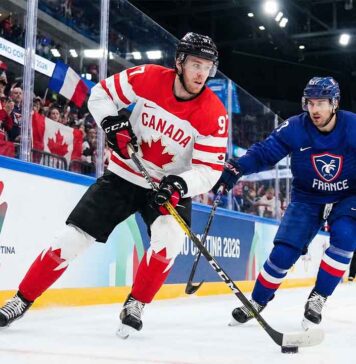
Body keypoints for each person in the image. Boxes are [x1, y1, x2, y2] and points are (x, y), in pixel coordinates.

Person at [0, 32, 228, 337]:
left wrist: (178, 184)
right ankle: (20, 299)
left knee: (170, 239)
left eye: (208, 67)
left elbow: (208, 169)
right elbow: (101, 95)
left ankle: (136, 303)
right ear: (180, 62)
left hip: (168, 187)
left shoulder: (214, 114)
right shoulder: (148, 77)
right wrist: (112, 122)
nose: (201, 73)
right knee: (71, 238)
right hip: (124, 174)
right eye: (196, 64)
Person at [215, 77, 356, 330]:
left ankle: (318, 298)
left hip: (348, 196)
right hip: (307, 196)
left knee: (345, 238)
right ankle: (257, 302)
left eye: (321, 103)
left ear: (334, 103)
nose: (314, 109)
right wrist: (237, 167)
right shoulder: (294, 127)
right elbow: (264, 152)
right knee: (283, 253)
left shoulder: (353, 125)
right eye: (310, 103)